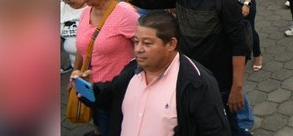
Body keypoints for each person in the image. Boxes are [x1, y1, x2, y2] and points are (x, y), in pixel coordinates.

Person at [90, 0, 250, 135]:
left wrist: (237, 87)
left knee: (230, 129)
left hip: (220, 85)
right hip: (187, 81)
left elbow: (239, 45)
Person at [79, 11, 232, 135]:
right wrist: (89, 88)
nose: (138, 49)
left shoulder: (197, 83)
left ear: (171, 44)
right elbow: (109, 97)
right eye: (136, 41)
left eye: (147, 43)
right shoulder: (131, 70)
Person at [70, 0, 139, 135]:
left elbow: (143, 47)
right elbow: (84, 47)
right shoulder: (86, 12)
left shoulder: (125, 13)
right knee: (100, 125)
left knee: (115, 128)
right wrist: (75, 71)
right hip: (91, 88)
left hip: (117, 90)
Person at [60, 0, 87, 73]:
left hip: (95, 66)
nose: (65, 1)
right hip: (75, 67)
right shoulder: (61, 8)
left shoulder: (93, 6)